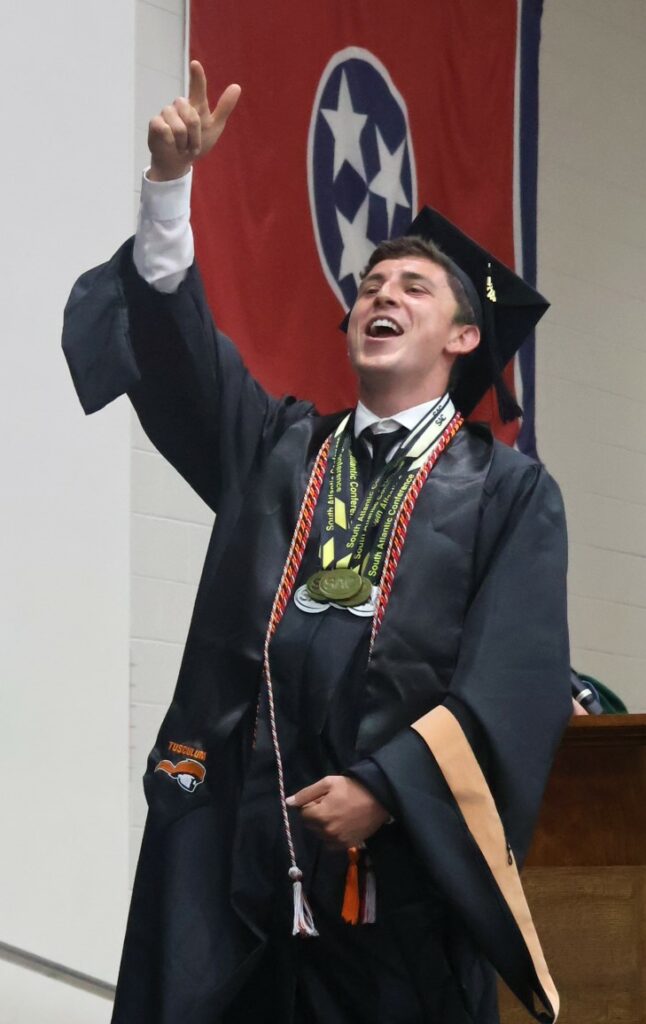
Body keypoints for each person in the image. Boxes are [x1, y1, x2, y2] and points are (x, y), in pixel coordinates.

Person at [63, 61, 571, 1024]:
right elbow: (181, 357)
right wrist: (169, 186)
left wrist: (387, 788)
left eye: (414, 286)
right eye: (371, 283)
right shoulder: (279, 448)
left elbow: (516, 680)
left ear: (465, 338)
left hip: (389, 886)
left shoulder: (507, 494)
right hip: (234, 857)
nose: (382, 294)